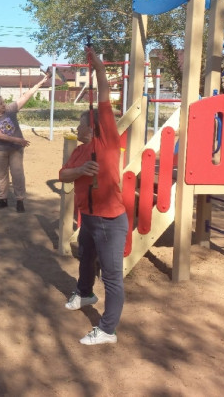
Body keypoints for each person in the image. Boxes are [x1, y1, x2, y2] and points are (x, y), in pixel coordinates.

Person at [59, 46, 127, 346]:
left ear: (92, 127)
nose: (77, 128)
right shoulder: (79, 151)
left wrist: (97, 66)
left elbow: (103, 93)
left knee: (112, 277)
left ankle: (108, 330)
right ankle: (85, 293)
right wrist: (81, 170)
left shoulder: (107, 140)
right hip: (87, 217)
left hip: (110, 220)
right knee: (85, 258)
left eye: (80, 124)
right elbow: (63, 175)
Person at [0, 73, 50, 212]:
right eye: (0, 103)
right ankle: (3, 199)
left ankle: (20, 200)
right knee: (1, 175)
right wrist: (18, 139)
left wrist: (41, 82)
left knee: (17, 174)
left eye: (4, 102)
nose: (4, 105)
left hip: (15, 150)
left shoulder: (10, 110)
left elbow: (26, 96)